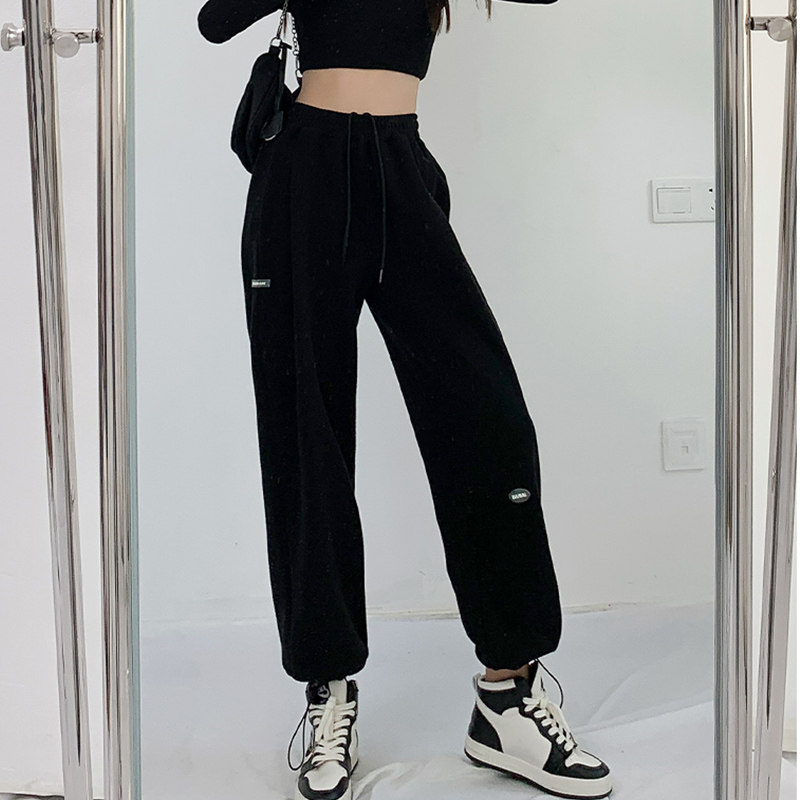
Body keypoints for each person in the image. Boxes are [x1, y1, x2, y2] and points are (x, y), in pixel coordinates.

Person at [197, 1, 613, 798]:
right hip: (303, 178)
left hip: (403, 171)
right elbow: (217, 20)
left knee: (490, 425)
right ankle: (328, 689)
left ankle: (507, 699)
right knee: (307, 436)